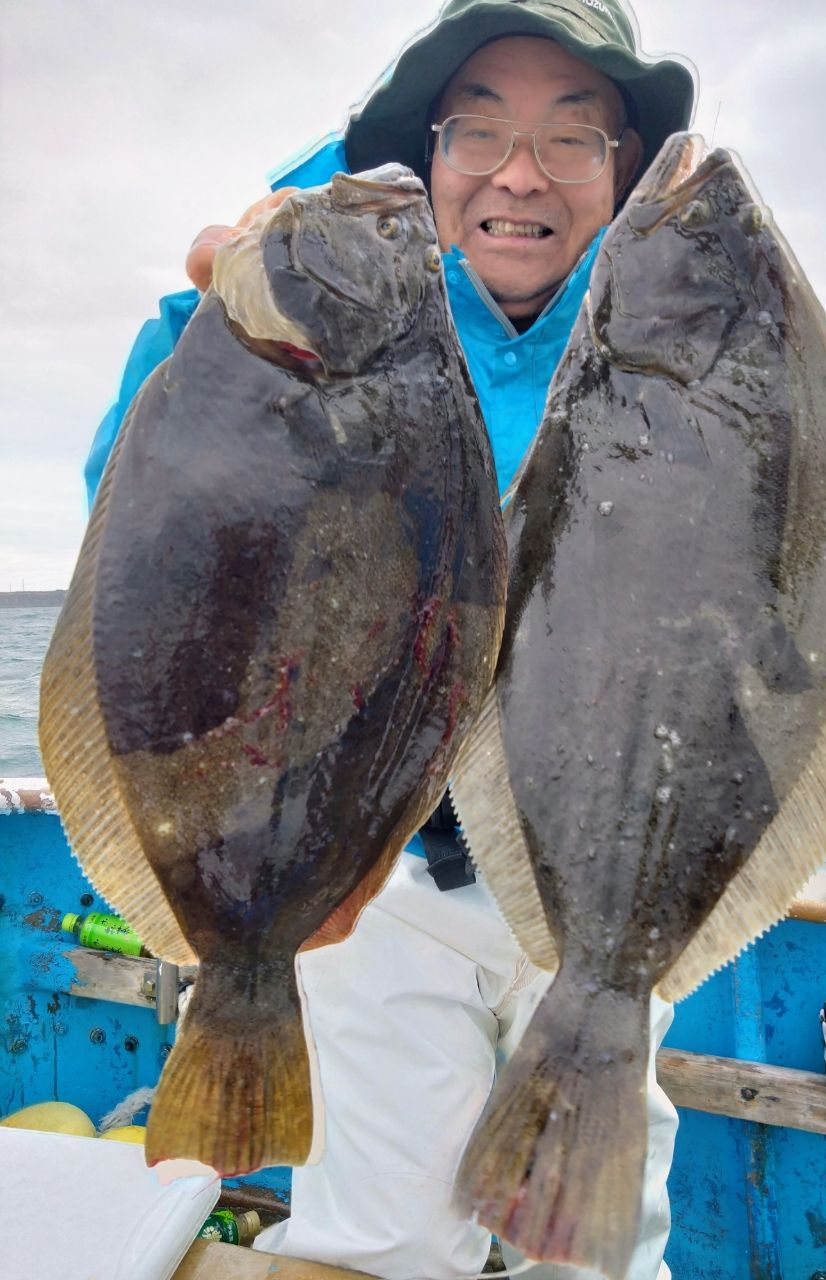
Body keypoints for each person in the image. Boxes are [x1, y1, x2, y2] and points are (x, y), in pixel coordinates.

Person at [85, 3, 696, 1278]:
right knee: (378, 1236)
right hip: (376, 867)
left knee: (598, 1246)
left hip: (594, 869)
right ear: (424, 149)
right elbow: (135, 529)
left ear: (627, 169)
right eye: (479, 128)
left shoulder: (678, 334)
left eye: (572, 139)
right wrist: (225, 318)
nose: (520, 174)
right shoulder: (304, 295)